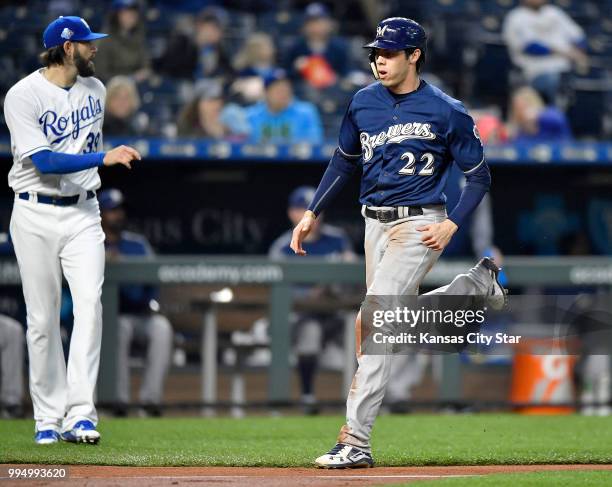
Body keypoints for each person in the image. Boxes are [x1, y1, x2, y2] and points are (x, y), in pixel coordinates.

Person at [289, 17, 506, 468]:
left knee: (374, 322)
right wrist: (312, 212)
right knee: (390, 326)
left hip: (421, 223)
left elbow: (479, 177)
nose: (379, 60)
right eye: (376, 53)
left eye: (389, 53)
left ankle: (355, 441)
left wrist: (453, 224)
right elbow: (344, 161)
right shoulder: (362, 102)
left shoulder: (447, 110)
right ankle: (476, 289)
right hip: (374, 225)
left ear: (414, 56)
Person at [3, 16, 141, 445]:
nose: (94, 48)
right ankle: (47, 417)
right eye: (87, 43)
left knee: (90, 309)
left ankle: (81, 415)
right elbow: (44, 162)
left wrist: (97, 162)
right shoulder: (22, 95)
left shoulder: (95, 90)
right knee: (42, 319)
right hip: (35, 213)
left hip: (83, 213)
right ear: (67, 49)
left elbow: (78, 155)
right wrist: (104, 158)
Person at [269, 186, 355, 413]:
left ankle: (374, 400)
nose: (313, 215)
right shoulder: (282, 246)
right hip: (301, 316)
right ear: (292, 213)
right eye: (305, 209)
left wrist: (338, 281)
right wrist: (307, 295)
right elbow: (275, 293)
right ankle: (308, 396)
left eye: (317, 209)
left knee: (366, 329)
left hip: (337, 312)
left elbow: (355, 280)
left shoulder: (337, 239)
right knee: (311, 332)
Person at [99, 189, 173, 417]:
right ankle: (118, 401)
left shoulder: (137, 244)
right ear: (100, 213)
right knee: (119, 328)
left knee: (162, 328)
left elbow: (154, 281)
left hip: (139, 313)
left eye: (119, 210)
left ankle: (150, 401)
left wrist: (146, 300)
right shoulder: (90, 243)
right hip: (110, 316)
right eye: (112, 210)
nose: (118, 215)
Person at [502, 0, 588, 104]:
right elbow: (529, 47)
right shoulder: (515, 17)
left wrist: (579, 52)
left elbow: (579, 36)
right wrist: (564, 53)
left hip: (566, 68)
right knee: (553, 82)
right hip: (534, 72)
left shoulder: (554, 12)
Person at [245, 69, 324, 144]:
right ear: (266, 92)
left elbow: (314, 142)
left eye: (286, 88)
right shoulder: (251, 115)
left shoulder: (306, 112)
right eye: (278, 90)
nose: (284, 93)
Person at [157, 7, 233, 82]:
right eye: (213, 27)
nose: (217, 33)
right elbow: (170, 69)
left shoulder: (216, 48)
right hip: (175, 86)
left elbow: (228, 71)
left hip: (202, 89)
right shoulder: (182, 41)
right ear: (200, 24)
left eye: (219, 29)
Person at [285, 3, 350, 89]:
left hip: (333, 90)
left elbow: (347, 71)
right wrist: (296, 68)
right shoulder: (296, 47)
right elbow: (285, 74)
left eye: (319, 22)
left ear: (328, 24)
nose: (315, 27)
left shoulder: (339, 46)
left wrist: (337, 78)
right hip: (303, 90)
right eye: (311, 23)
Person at [94, 0, 151, 82]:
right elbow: (101, 74)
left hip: (137, 85)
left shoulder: (139, 37)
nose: (131, 16)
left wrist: (143, 73)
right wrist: (128, 79)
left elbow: (146, 66)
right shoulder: (104, 40)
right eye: (126, 12)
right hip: (110, 87)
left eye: (133, 12)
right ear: (116, 15)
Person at [177, 80, 249, 140]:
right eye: (211, 100)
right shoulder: (186, 123)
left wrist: (221, 134)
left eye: (218, 99)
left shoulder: (230, 117)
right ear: (199, 104)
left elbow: (243, 141)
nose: (217, 104)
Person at [508, 86, 572, 142]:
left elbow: (560, 119)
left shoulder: (550, 116)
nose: (523, 111)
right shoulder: (519, 135)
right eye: (518, 109)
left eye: (526, 105)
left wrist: (538, 114)